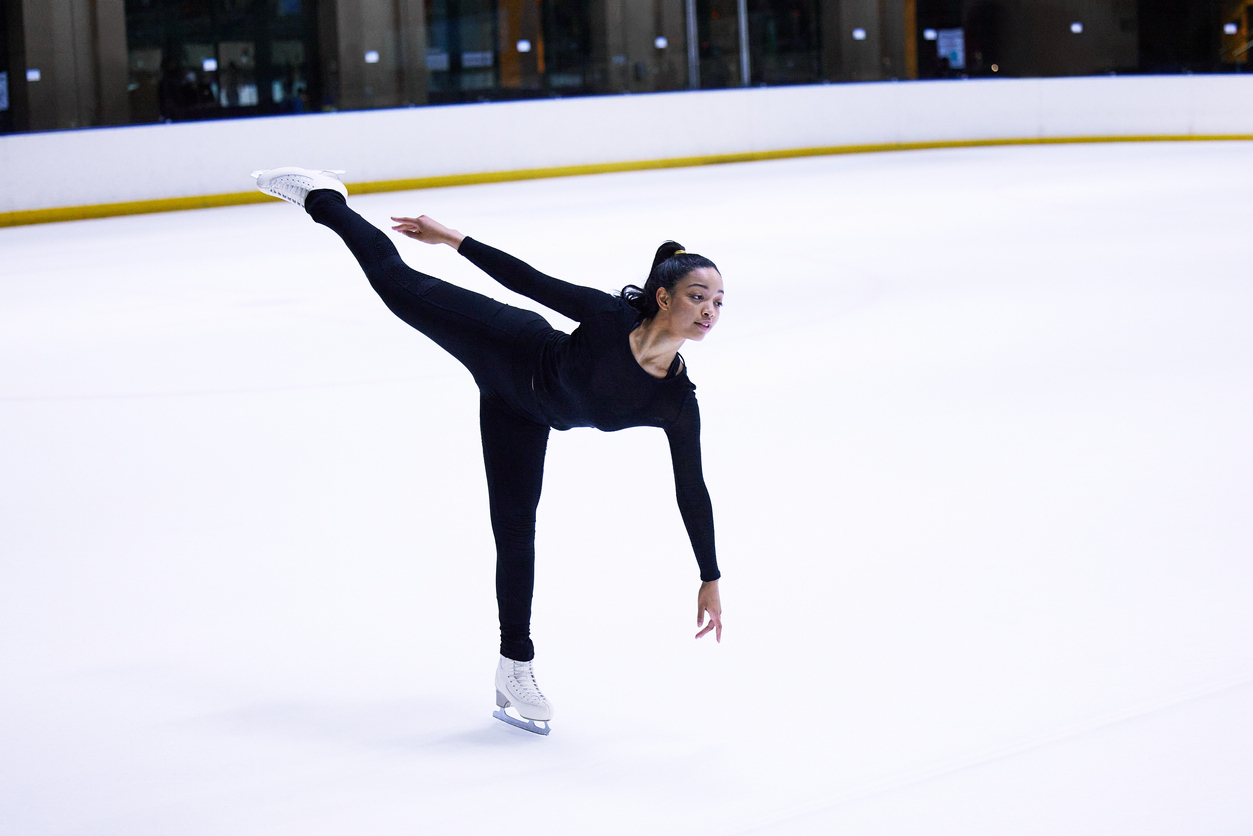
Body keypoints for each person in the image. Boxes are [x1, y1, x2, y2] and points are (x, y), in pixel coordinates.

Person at [251, 167, 724, 735]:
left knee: (516, 530)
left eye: (719, 302)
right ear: (664, 296)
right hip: (507, 346)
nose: (709, 311)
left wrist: (709, 575)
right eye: (698, 296)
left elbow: (691, 487)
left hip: (522, 415)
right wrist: (451, 238)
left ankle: (514, 666)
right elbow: (528, 281)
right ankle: (323, 195)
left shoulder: (674, 400)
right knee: (395, 284)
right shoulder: (608, 319)